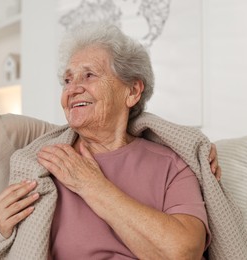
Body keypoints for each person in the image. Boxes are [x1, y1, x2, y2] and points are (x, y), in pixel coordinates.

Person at [0, 16, 220, 259]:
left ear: (133, 90)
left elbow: (95, 125)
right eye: (67, 80)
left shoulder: (7, 132)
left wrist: (184, 142)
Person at [35, 22, 211, 259]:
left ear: (132, 91)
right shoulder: (47, 161)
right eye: (67, 81)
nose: (73, 90)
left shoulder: (171, 165)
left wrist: (92, 186)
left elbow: (183, 252)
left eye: (89, 75)